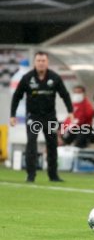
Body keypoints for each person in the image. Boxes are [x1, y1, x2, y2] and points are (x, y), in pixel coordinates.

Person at [10, 51, 73, 182]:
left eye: (43, 61)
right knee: (31, 145)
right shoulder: (27, 78)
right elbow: (17, 96)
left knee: (52, 145)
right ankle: (31, 175)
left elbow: (64, 94)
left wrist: (70, 111)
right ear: (34, 62)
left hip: (50, 117)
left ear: (47, 62)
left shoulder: (55, 77)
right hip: (33, 117)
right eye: (38, 61)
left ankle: (53, 175)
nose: (41, 63)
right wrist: (12, 115)